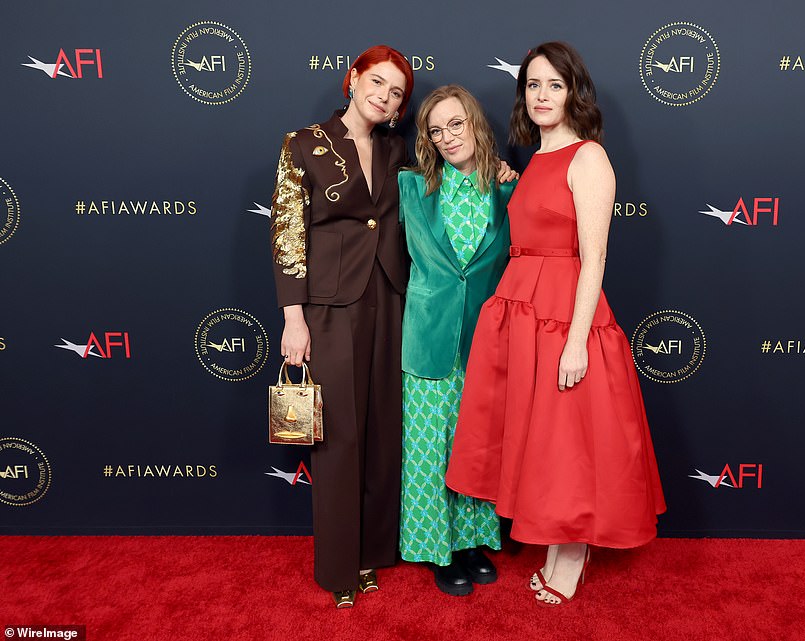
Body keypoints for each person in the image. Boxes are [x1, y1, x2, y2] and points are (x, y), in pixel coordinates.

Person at [445, 42, 667, 607]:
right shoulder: (533, 160)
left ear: (575, 93)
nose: (542, 96)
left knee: (567, 438)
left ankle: (571, 553)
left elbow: (593, 258)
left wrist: (576, 342)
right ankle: (554, 544)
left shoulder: (589, 158)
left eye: (555, 85)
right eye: (533, 85)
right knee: (543, 438)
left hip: (565, 314)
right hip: (521, 309)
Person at [269, 45, 413, 609]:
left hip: (391, 298)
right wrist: (293, 318)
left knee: (382, 431)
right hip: (328, 307)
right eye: (376, 82)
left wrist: (498, 171)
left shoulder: (400, 148)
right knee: (338, 437)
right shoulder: (302, 143)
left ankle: (374, 553)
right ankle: (339, 567)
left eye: (395, 91)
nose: (383, 95)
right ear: (352, 79)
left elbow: (452, 172)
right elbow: (286, 233)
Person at [397, 85, 516, 596]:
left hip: (485, 341)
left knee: (475, 448)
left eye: (455, 124)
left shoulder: (508, 189)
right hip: (427, 337)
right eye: (436, 130)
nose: (447, 137)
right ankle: (434, 548)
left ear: (475, 124)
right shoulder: (411, 187)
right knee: (428, 449)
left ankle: (469, 543)